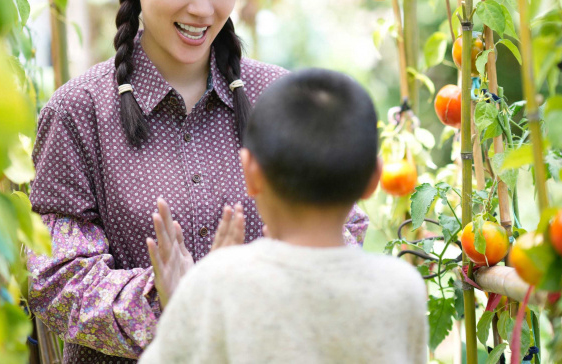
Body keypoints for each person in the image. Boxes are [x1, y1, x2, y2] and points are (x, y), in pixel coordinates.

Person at [26, 0, 369, 364]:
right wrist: (170, 299)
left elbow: (344, 225)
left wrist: (261, 277)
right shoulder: (78, 113)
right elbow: (57, 276)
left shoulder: (279, 98)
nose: (203, 9)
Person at [139, 69, 428, 364]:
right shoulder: (402, 289)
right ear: (373, 179)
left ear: (250, 173)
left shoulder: (216, 283)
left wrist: (186, 301)